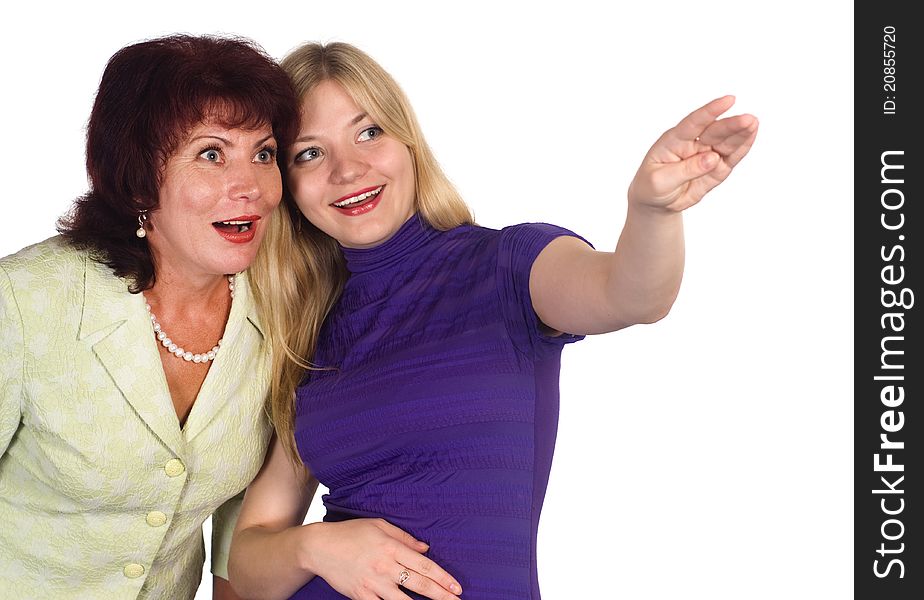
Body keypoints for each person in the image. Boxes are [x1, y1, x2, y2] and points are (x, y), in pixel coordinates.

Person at [230, 42, 758, 600]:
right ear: (287, 185)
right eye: (309, 153)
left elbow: (630, 295)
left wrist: (652, 213)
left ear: (408, 142)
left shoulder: (505, 267)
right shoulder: (311, 335)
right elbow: (248, 561)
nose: (348, 169)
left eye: (369, 133)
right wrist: (318, 546)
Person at [0, 34, 299, 599]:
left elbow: (241, 538)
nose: (252, 188)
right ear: (139, 177)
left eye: (263, 153)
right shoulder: (22, 300)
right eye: (211, 154)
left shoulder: (278, 308)